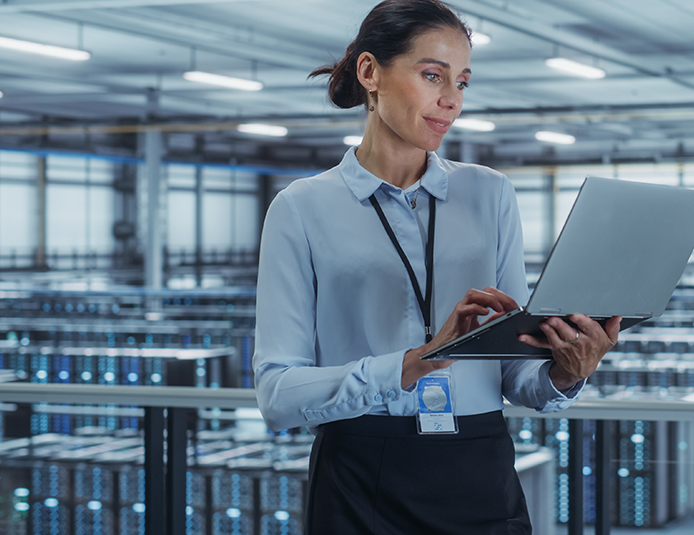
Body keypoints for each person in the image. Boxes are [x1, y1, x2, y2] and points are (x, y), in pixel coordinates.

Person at [252, 1, 620, 533]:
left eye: (463, 83)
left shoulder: (490, 194)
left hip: (479, 466)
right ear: (370, 72)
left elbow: (516, 370)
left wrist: (566, 370)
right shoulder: (301, 207)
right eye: (432, 76)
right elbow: (278, 397)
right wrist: (415, 361)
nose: (451, 101)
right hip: (361, 475)